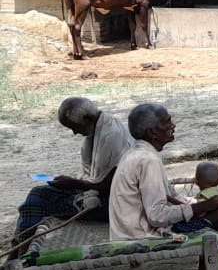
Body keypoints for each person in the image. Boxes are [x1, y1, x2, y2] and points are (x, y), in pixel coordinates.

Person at [108, 104, 218, 270]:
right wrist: (205, 206)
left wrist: (203, 205)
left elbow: (169, 195)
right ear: (153, 132)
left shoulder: (139, 153)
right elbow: (157, 216)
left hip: (135, 227)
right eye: (167, 122)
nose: (173, 125)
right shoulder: (148, 160)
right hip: (139, 234)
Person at [10, 98, 133, 256]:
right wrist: (73, 183)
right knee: (38, 194)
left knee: (35, 204)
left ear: (87, 118)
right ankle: (18, 253)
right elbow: (95, 177)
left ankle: (19, 255)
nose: (75, 132)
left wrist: (74, 183)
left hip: (112, 205)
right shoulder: (100, 128)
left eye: (75, 127)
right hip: (95, 193)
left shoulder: (111, 136)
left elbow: (112, 186)